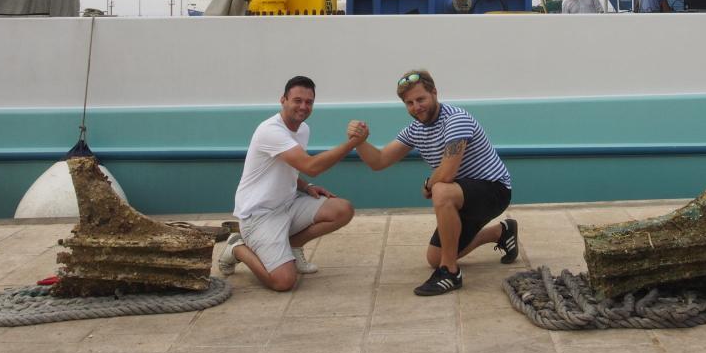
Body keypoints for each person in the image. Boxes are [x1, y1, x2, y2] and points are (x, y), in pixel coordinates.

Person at [348, 69, 518, 296]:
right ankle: (500, 232)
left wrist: (429, 184)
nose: (416, 107)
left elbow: (447, 172)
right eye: (409, 103)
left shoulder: (456, 120)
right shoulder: (415, 129)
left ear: (434, 93)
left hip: (493, 189)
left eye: (421, 99)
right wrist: (359, 142)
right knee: (434, 257)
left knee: (441, 190)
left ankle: (450, 273)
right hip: (461, 194)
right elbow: (379, 161)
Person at [218, 75, 363, 291]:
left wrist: (307, 187)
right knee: (283, 282)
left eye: (309, 102)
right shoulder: (270, 131)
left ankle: (293, 245)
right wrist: (352, 144)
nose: (303, 107)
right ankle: (237, 248)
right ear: (283, 100)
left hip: (288, 204)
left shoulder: (302, 129)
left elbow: (287, 167)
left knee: (342, 209)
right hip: (259, 216)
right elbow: (311, 166)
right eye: (297, 100)